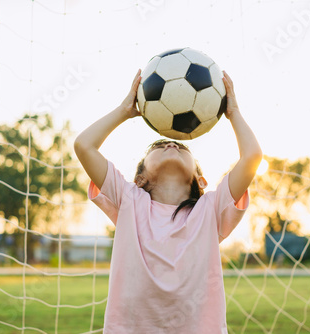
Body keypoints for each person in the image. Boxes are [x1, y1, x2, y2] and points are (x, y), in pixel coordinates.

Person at [74, 69, 262, 333]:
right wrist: (123, 111)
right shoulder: (129, 201)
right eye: (159, 147)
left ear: (201, 180)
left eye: (182, 147)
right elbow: (84, 145)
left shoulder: (210, 210)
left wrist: (234, 113)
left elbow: (252, 157)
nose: (172, 145)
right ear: (138, 178)